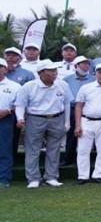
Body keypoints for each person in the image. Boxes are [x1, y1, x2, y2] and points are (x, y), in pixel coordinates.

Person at [15, 61, 72, 188]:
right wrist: (20, 118)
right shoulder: (29, 86)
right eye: (50, 71)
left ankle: (51, 177)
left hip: (57, 117)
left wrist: (67, 122)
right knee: (32, 149)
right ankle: (33, 178)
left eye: (55, 70)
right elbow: (20, 104)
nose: (54, 73)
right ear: (41, 73)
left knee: (54, 149)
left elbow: (67, 103)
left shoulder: (63, 84)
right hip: (35, 118)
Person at [74, 63, 101, 184]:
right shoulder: (86, 88)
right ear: (95, 74)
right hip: (86, 121)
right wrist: (77, 125)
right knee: (83, 149)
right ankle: (83, 176)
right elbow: (79, 106)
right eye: (100, 72)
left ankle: (98, 175)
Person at [60, 55, 92, 168]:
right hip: (72, 109)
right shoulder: (67, 79)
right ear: (76, 66)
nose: (86, 65)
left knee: (88, 134)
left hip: (88, 109)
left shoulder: (93, 79)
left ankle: (86, 160)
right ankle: (68, 159)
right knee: (72, 134)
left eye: (87, 64)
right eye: (83, 63)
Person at [0, 59, 21, 189]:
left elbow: (19, 104)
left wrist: (7, 110)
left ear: (6, 69)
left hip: (5, 119)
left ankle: (3, 179)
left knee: (4, 150)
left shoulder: (15, 86)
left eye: (0, 67)